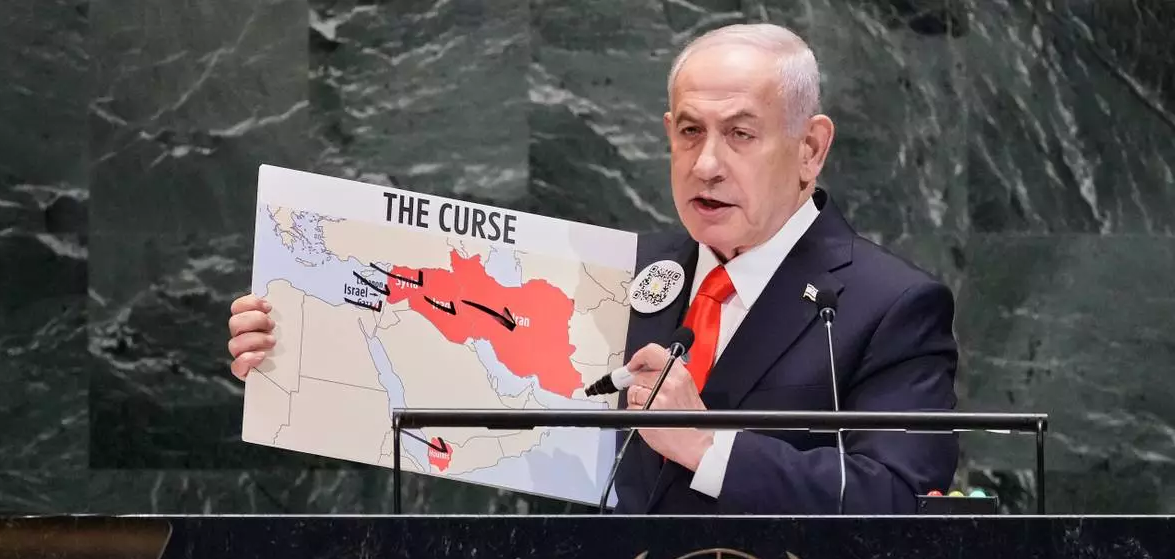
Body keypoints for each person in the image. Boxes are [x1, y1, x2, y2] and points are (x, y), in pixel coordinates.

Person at [227, 23, 958, 515]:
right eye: (690, 132)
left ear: (810, 148)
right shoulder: (616, 276)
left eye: (740, 134)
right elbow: (450, 365)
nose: (707, 163)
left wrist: (706, 446)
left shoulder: (890, 304)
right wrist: (299, 342)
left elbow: (902, 499)